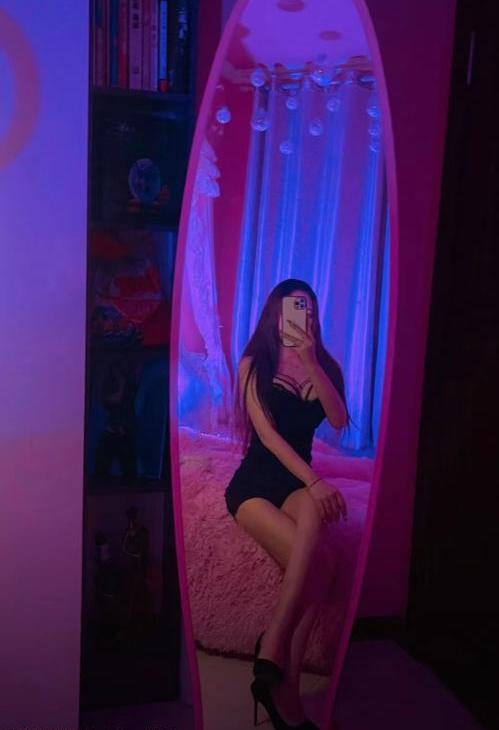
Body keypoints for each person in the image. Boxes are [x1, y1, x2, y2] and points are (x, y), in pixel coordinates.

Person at [224, 279, 349, 730]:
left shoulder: (325, 366)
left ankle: (276, 663)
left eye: (308, 309)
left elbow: (338, 419)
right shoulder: (253, 363)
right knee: (322, 566)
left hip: (296, 483)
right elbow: (269, 436)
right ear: (274, 314)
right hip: (256, 482)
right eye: (292, 308)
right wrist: (316, 481)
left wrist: (312, 361)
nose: (302, 315)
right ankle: (284, 682)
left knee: (316, 527)